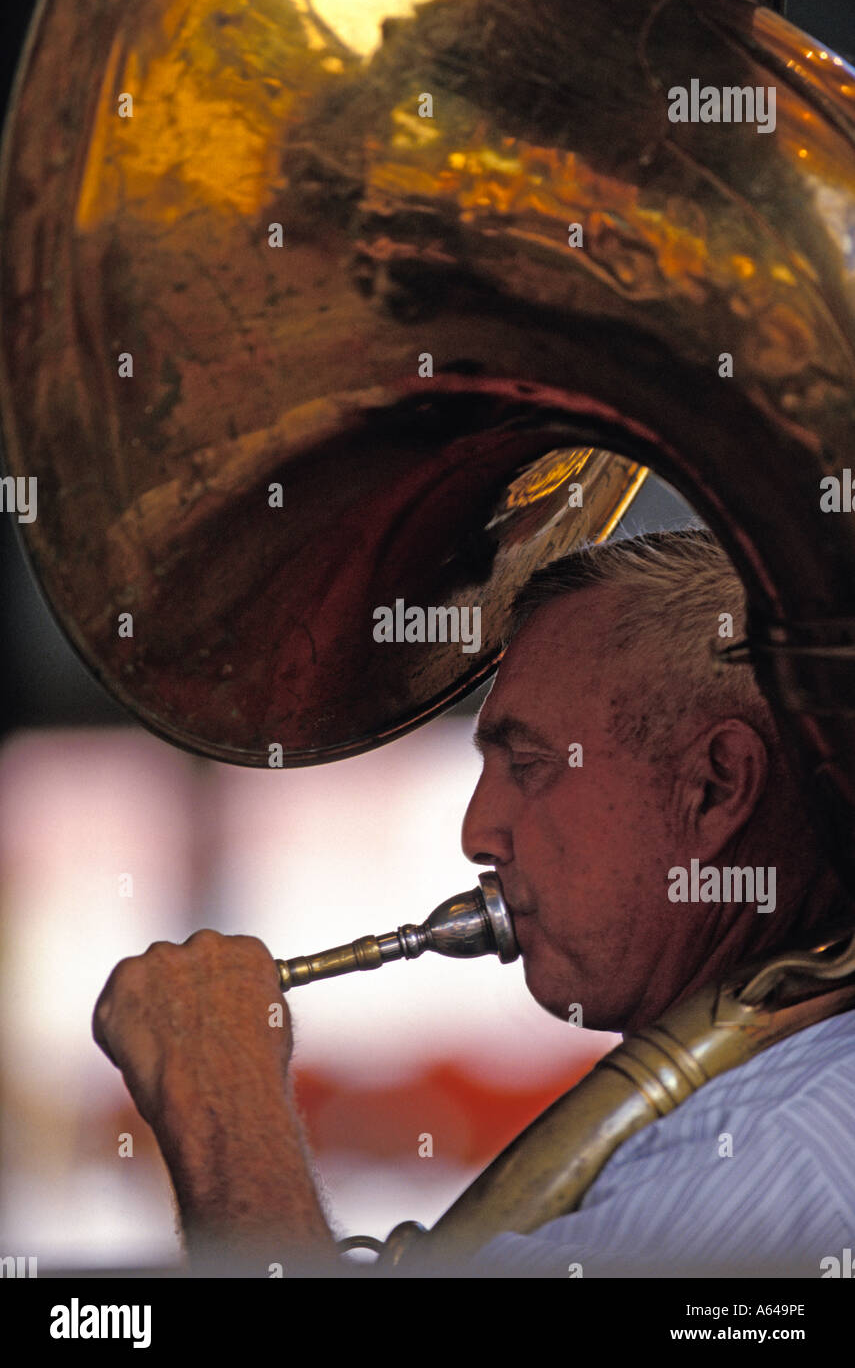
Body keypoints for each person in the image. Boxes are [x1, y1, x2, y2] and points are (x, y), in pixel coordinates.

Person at [92, 527, 855, 1276]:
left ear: (714, 786)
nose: (476, 832)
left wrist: (222, 1110)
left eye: (528, 763)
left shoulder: (764, 1151)